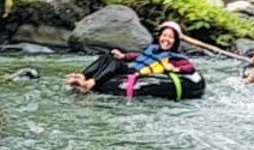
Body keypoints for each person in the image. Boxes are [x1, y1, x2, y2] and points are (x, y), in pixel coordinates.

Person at [67, 21, 196, 95]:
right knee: (107, 57)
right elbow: (139, 56)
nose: (166, 39)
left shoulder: (175, 57)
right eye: (164, 36)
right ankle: (83, 76)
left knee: (115, 64)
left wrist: (175, 69)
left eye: (170, 37)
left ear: (176, 40)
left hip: (137, 74)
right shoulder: (154, 48)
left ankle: (90, 84)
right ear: (159, 36)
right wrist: (124, 56)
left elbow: (189, 68)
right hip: (132, 68)